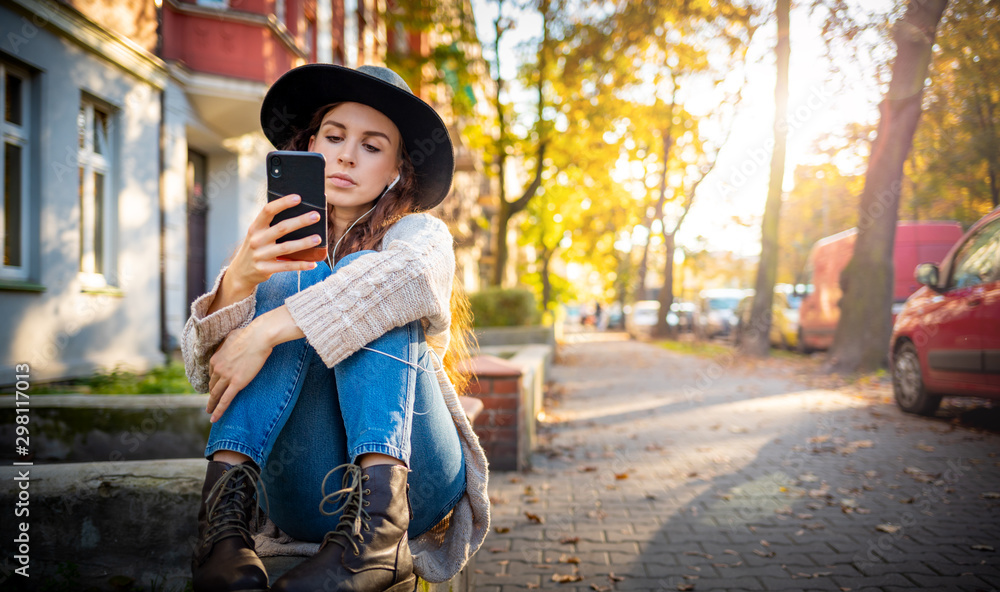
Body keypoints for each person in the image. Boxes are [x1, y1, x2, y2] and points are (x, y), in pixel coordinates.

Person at [181, 64, 489, 592]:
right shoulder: (273, 247)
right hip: (307, 491)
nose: (346, 155)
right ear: (310, 145)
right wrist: (239, 281)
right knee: (286, 280)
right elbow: (202, 374)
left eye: (372, 145)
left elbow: (409, 277)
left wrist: (266, 329)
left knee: (365, 280)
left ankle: (379, 539)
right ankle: (221, 532)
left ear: (397, 168)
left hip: (416, 480)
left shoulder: (419, 235)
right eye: (334, 136)